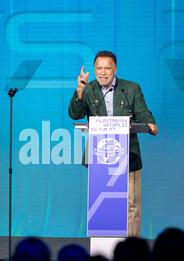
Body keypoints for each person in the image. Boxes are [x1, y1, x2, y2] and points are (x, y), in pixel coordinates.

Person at [68, 50, 158, 237]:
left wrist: (149, 122)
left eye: (107, 68)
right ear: (94, 69)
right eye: (99, 68)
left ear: (114, 68)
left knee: (131, 203)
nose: (103, 72)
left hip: (128, 153)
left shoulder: (130, 88)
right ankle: (105, 249)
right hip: (100, 154)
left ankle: (132, 249)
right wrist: (79, 91)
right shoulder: (89, 88)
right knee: (103, 202)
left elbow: (142, 112)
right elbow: (75, 114)